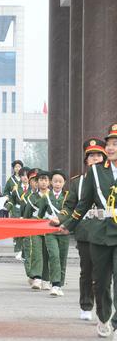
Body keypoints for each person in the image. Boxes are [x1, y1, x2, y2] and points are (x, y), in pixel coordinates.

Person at [53, 123, 117, 341]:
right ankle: (104, 316)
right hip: (100, 233)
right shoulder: (97, 172)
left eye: (115, 144)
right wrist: (68, 225)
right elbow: (83, 204)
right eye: (109, 143)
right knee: (100, 281)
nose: (111, 148)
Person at [59, 138, 106, 321]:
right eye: (91, 156)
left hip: (106, 229)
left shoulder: (111, 179)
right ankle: (86, 305)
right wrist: (61, 220)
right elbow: (69, 207)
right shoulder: (77, 182)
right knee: (87, 270)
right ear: (86, 161)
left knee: (104, 272)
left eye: (98, 156)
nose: (95, 159)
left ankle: (104, 307)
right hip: (86, 231)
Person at [37, 169, 70, 297]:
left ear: (64, 183)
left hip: (64, 231)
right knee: (54, 256)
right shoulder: (46, 198)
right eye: (55, 181)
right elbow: (40, 215)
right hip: (50, 232)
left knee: (62, 258)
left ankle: (59, 285)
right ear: (51, 182)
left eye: (60, 181)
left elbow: (72, 213)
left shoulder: (68, 197)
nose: (57, 184)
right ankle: (55, 284)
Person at [23, 169, 51, 291]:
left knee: (48, 253)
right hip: (35, 228)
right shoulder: (32, 198)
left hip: (50, 227)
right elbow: (27, 215)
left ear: (49, 182)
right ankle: (37, 278)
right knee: (37, 252)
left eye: (46, 180)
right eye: (41, 180)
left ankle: (46, 279)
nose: (43, 183)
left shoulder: (52, 196)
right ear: (37, 182)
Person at [5, 166, 30, 260]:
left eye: (27, 175)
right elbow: (12, 200)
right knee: (20, 232)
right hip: (18, 212)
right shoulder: (16, 188)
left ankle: (26, 251)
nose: (25, 177)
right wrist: (7, 207)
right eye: (23, 176)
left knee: (27, 233)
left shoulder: (33, 188)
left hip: (28, 213)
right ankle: (20, 251)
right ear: (20, 177)